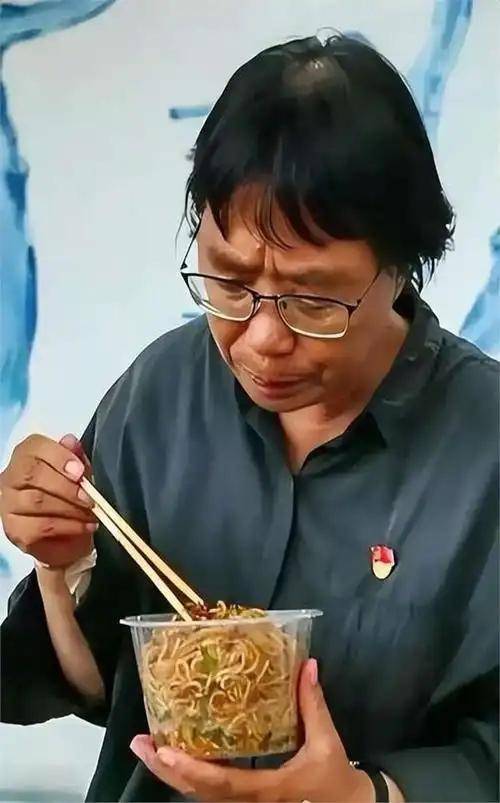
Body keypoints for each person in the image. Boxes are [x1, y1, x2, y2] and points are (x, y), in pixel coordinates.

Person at [1, 34, 498, 803]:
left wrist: (362, 795)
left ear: (401, 265)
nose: (262, 338)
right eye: (230, 283)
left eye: (312, 299)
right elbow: (98, 688)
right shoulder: (163, 392)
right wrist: (61, 563)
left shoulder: (484, 444)